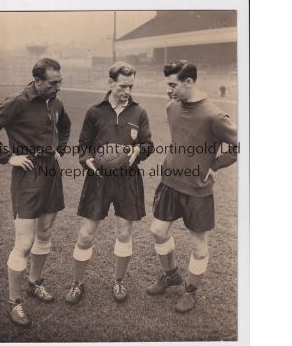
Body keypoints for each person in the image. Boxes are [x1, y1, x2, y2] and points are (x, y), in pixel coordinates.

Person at [0, 58, 71, 326]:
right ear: (38, 81)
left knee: (45, 233)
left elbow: (65, 126)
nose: (58, 87)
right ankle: (14, 302)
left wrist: (60, 150)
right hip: (27, 174)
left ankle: (34, 282)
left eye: (59, 82)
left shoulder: (56, 102)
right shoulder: (17, 101)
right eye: (53, 83)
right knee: (24, 242)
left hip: (51, 171)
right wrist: (8, 158)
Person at [146, 60, 237, 313]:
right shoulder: (171, 107)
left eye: (173, 84)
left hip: (197, 190)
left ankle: (191, 290)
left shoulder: (214, 115)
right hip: (170, 183)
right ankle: (171, 275)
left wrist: (216, 165)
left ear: (189, 82)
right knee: (158, 231)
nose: (169, 90)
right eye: (168, 84)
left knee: (198, 245)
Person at [65, 61, 153, 304]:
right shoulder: (95, 112)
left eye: (131, 86)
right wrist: (87, 161)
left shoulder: (139, 112)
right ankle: (77, 283)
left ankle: (118, 281)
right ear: (110, 82)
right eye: (123, 85)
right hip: (99, 180)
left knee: (124, 233)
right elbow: (83, 146)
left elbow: (147, 144)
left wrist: (138, 152)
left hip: (128, 180)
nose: (127, 91)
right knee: (86, 235)